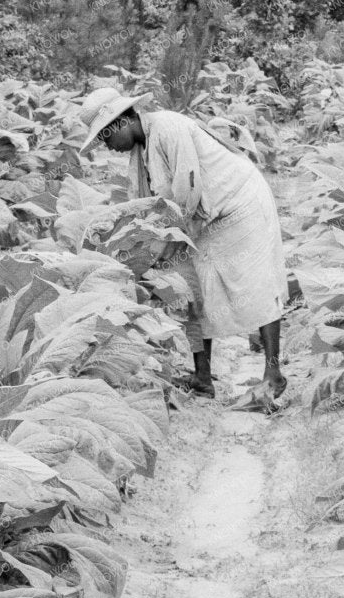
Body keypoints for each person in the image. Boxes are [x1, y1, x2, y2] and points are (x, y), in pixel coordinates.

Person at [75, 85, 287, 406]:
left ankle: (273, 373)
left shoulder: (168, 128)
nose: (107, 147)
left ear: (121, 122)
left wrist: (163, 246)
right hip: (204, 218)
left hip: (241, 204)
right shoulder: (142, 149)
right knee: (190, 288)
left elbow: (186, 192)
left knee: (256, 283)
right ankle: (202, 379)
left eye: (106, 138)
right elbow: (148, 206)